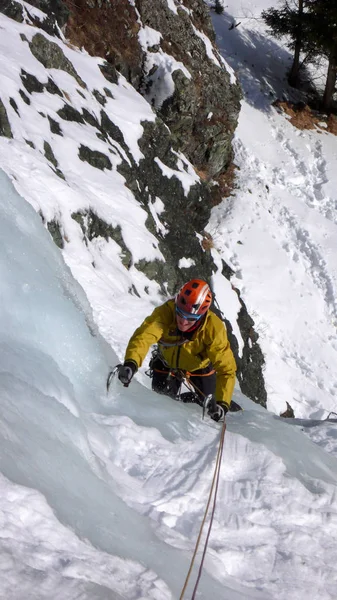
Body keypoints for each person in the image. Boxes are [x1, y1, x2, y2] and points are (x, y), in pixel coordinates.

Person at [117, 279, 237, 421]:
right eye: (179, 313)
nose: (183, 321)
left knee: (210, 409)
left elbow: (226, 370)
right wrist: (131, 363)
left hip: (200, 368)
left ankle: (218, 404)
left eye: (190, 318)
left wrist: (222, 404)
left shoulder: (213, 329)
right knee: (161, 407)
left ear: (201, 316)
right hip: (166, 364)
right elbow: (144, 336)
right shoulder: (165, 313)